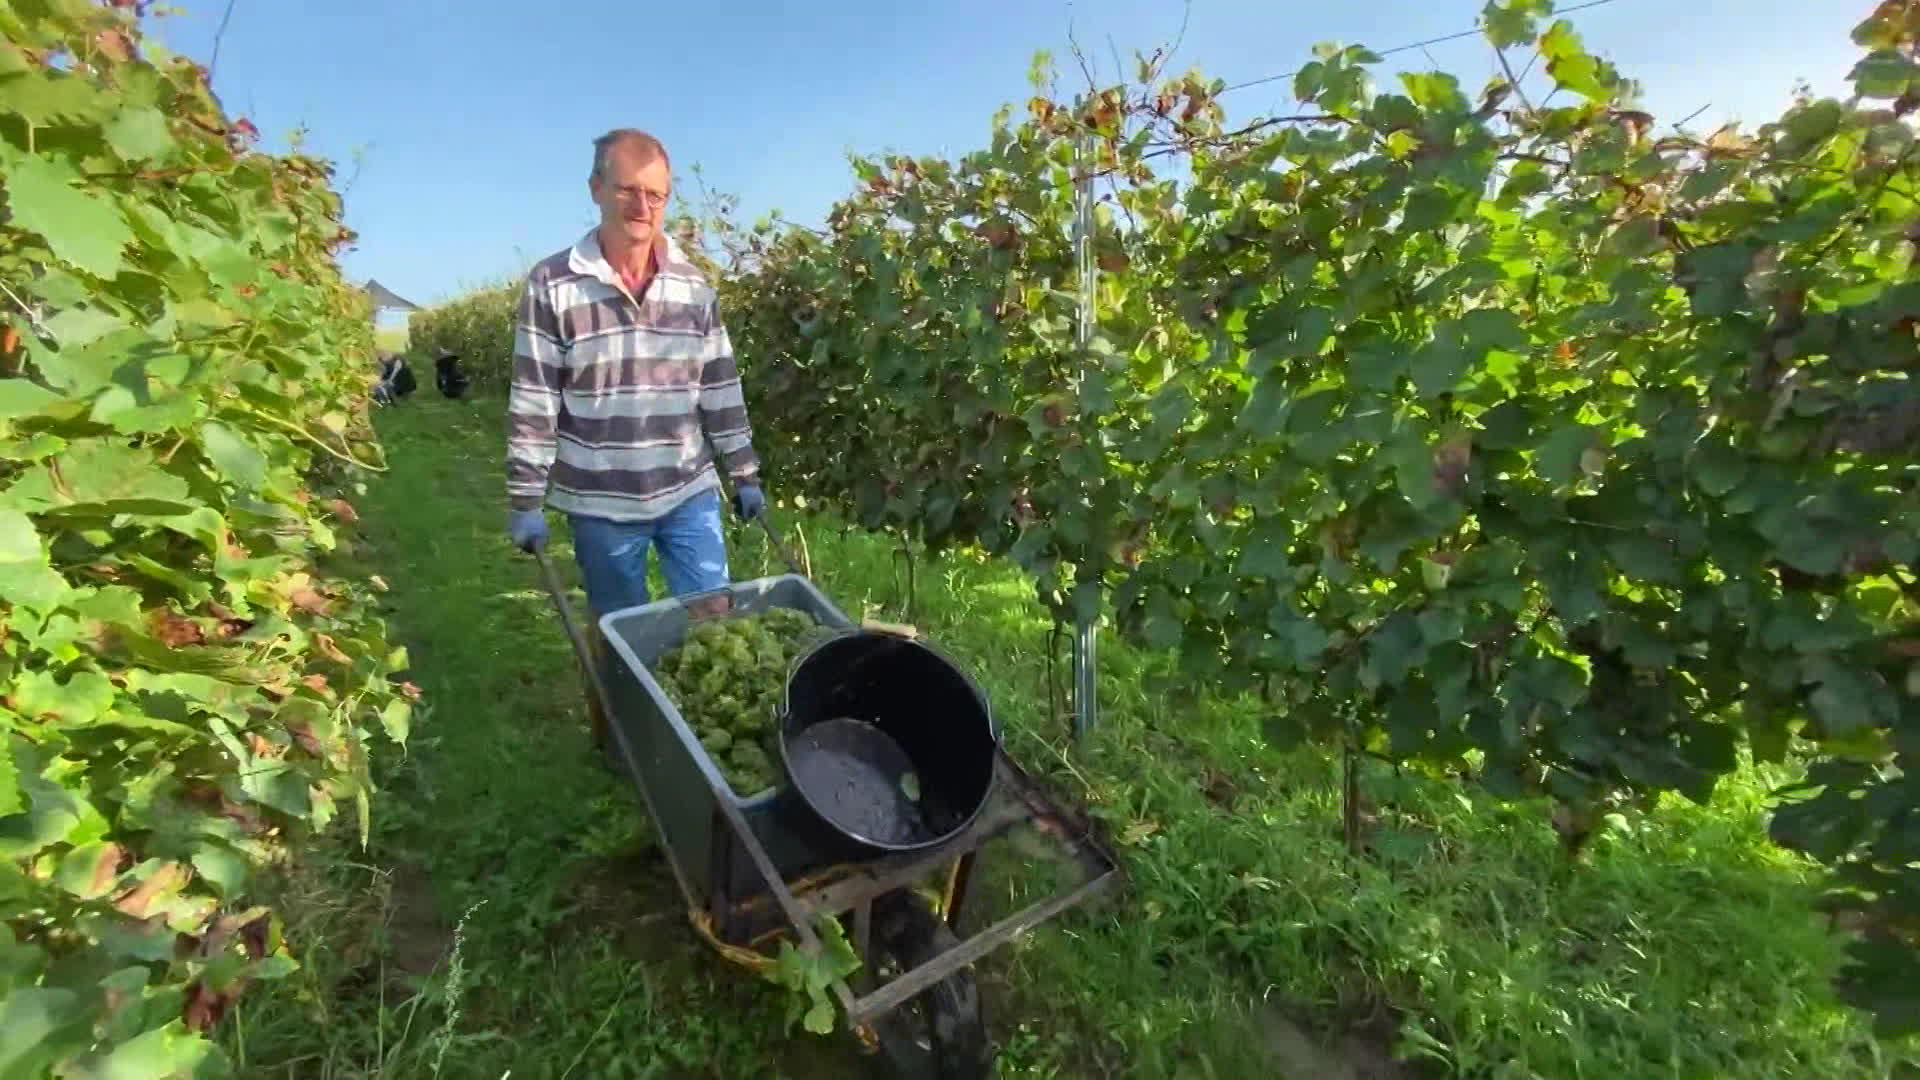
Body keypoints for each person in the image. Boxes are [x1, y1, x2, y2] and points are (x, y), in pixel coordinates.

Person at [505, 128, 766, 746]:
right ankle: (624, 743)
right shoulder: (553, 286)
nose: (641, 207)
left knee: (714, 621)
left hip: (688, 488)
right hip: (601, 500)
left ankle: (700, 741)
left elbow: (720, 387)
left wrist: (745, 472)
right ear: (597, 189)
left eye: (656, 194)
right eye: (627, 190)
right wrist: (524, 498)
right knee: (622, 632)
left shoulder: (694, 287)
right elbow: (535, 397)